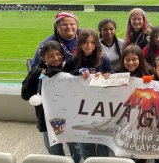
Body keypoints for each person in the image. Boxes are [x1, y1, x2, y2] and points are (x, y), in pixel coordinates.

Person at [21, 41, 77, 160]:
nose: (55, 58)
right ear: (43, 57)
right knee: (53, 148)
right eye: (50, 56)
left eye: (58, 54)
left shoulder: (69, 68)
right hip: (46, 119)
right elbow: (25, 95)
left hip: (69, 117)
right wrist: (34, 75)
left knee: (74, 146)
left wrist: (59, 73)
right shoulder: (37, 72)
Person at [63, 29, 112, 159]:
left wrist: (107, 76)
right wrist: (78, 71)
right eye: (85, 42)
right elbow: (63, 78)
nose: (89, 46)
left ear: (96, 44)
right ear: (79, 44)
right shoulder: (72, 62)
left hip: (101, 108)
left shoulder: (104, 60)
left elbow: (112, 80)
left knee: (102, 143)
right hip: (81, 109)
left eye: (92, 42)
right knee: (86, 142)